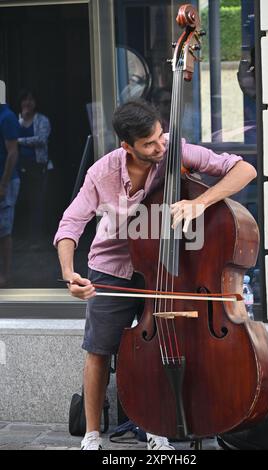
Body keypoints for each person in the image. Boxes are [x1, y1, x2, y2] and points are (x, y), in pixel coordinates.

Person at [53, 99, 257, 450]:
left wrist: (200, 202)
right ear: (127, 147)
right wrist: (69, 273)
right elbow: (70, 224)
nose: (159, 146)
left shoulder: (173, 150)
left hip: (164, 267)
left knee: (165, 345)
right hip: (112, 268)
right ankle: (90, 434)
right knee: (99, 349)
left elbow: (244, 170)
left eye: (161, 136)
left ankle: (157, 430)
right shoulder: (102, 173)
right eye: (149, 143)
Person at [17, 89, 51, 248]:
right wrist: (22, 120)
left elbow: (41, 140)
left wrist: (19, 141)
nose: (28, 103)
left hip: (38, 166)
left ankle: (36, 239)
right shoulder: (17, 120)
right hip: (19, 166)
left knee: (37, 202)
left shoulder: (42, 120)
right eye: (25, 100)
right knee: (22, 201)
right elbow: (9, 138)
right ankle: (22, 238)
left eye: (31, 100)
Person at [0, 100, 20, 287]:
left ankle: (5, 275)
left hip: (5, 181)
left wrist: (3, 184)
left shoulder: (7, 117)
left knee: (3, 231)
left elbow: (12, 153)